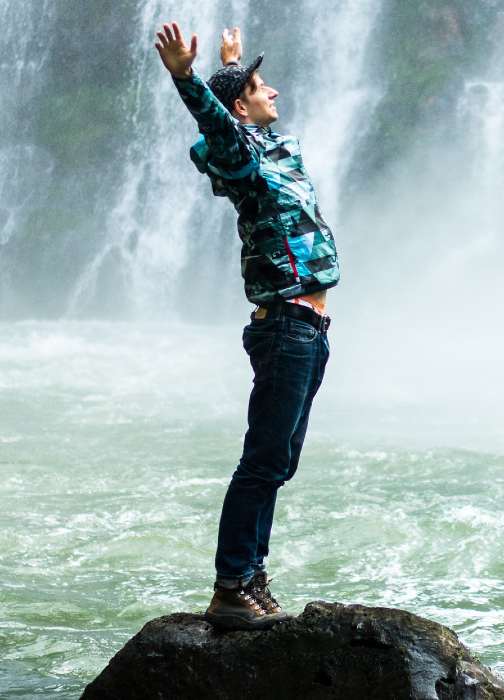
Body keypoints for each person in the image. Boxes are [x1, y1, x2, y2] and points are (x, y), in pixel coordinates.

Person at [154, 22, 340, 630]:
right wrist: (189, 78)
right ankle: (231, 585)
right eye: (263, 87)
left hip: (309, 331)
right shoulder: (244, 162)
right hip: (286, 326)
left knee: (278, 462)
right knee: (262, 462)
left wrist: (234, 67)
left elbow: (247, 125)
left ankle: (251, 576)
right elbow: (218, 130)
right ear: (240, 108)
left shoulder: (277, 151)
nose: (276, 91)